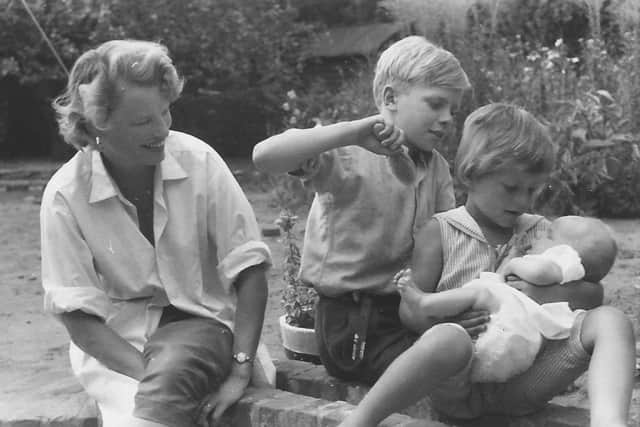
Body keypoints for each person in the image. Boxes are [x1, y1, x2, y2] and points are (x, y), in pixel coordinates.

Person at [338, 103, 635, 427]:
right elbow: (409, 312)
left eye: (533, 190)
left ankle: (610, 422)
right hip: (458, 380)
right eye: (511, 188)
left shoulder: (540, 231)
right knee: (446, 340)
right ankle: (359, 422)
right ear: (471, 175)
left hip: (527, 379)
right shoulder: (440, 232)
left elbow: (593, 294)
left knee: (611, 321)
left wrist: (542, 292)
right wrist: (443, 317)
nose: (523, 201)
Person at [41, 39, 274, 427]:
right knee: (142, 417)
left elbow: (250, 270)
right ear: (99, 122)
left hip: (211, 333)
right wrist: (156, 381)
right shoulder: (65, 195)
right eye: (142, 121)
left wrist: (240, 369)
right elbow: (79, 319)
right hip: (120, 352)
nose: (162, 129)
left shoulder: (199, 161)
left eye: (165, 113)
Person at [253, 35, 476, 385]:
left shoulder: (437, 168)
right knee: (448, 373)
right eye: (436, 104)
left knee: (474, 354)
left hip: (410, 311)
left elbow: (449, 245)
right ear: (390, 98)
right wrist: (352, 132)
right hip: (354, 322)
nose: (447, 118)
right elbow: (264, 157)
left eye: (453, 110)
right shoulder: (347, 154)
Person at [396, 215, 618, 383]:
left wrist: (516, 264)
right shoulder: (444, 227)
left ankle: (425, 302)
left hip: (498, 338)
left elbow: (541, 272)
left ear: (565, 250)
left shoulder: (562, 260)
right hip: (512, 351)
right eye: (510, 188)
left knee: (479, 294)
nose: (541, 236)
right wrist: (512, 260)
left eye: (549, 236)